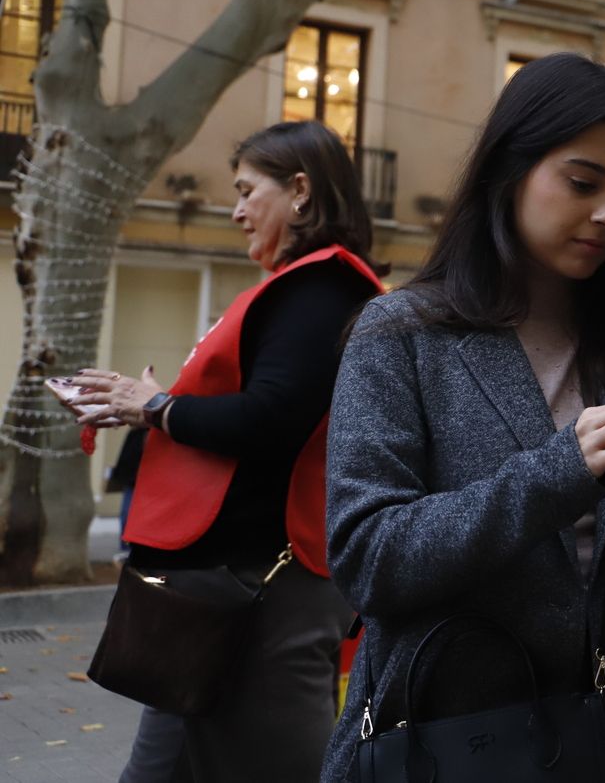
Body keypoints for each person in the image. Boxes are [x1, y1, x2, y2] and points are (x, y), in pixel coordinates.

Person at [320, 53, 605, 783]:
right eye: (582, 182)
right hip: (442, 738)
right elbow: (367, 559)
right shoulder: (402, 334)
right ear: (510, 171)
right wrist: (565, 467)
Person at [67, 120, 386, 782]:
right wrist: (153, 404)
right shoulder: (305, 288)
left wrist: (154, 407)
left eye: (246, 191)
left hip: (261, 590)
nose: (235, 210)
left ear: (301, 191)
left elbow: (270, 419)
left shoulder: (321, 290)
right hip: (229, 590)